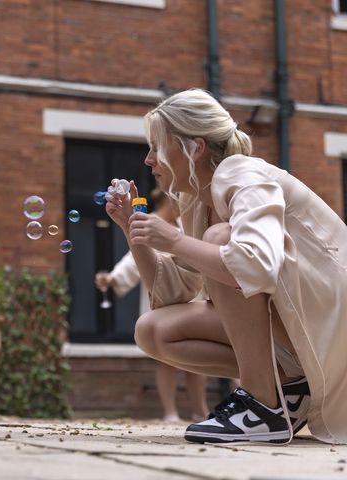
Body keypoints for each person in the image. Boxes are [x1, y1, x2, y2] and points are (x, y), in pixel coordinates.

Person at [105, 88, 347, 445]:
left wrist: (173, 241)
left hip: (331, 323)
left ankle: (262, 404)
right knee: (154, 330)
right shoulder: (194, 203)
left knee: (220, 239)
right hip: (300, 326)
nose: (148, 160)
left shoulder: (243, 174)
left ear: (194, 148)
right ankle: (291, 388)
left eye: (156, 146)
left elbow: (256, 265)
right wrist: (133, 230)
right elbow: (173, 294)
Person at [95, 188, 209, 423]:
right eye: (177, 199)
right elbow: (133, 258)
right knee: (166, 358)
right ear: (167, 200)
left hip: (191, 296)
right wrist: (114, 278)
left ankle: (201, 410)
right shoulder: (148, 221)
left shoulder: (186, 223)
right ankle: (170, 412)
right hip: (161, 298)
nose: (181, 204)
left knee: (197, 360)